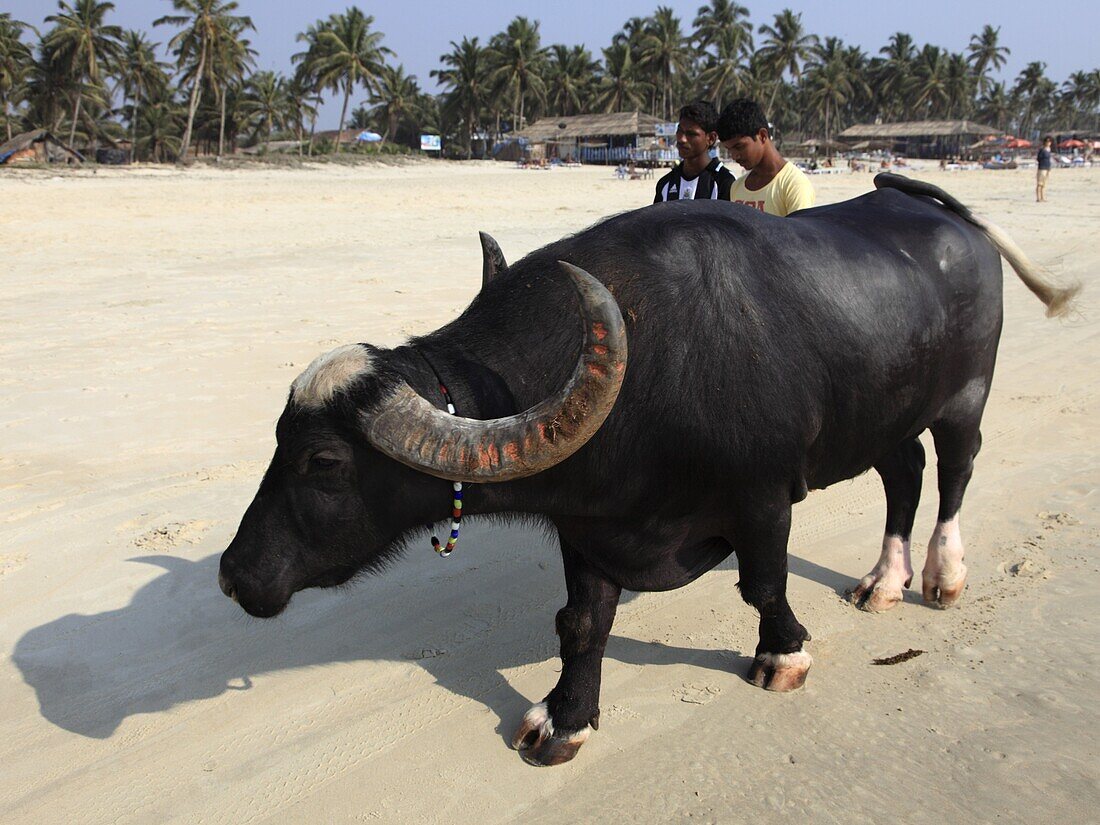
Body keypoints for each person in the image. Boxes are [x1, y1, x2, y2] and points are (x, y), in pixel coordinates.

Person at [716, 99, 815, 216]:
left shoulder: (794, 185)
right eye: (729, 149)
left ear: (762, 135)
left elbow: (799, 233)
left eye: (739, 146)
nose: (734, 156)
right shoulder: (737, 187)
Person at [653, 101, 735, 202]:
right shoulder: (666, 183)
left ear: (711, 139)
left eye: (691, 134)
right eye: (680, 131)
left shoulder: (725, 182)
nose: (681, 139)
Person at [1036, 136, 1053, 202]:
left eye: (1049, 142)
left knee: (1044, 184)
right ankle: (1038, 198)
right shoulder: (1042, 150)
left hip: (1047, 168)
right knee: (1039, 183)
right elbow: (1038, 158)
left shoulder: (1049, 150)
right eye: (1047, 141)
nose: (1048, 143)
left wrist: (1049, 168)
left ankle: (1042, 197)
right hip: (1042, 168)